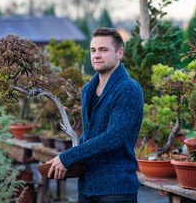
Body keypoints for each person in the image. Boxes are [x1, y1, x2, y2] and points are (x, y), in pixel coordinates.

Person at [47, 27, 144, 203]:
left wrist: (69, 156)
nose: (96, 55)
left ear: (119, 53)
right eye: (93, 50)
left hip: (116, 190)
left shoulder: (128, 89)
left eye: (103, 50)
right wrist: (65, 162)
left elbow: (114, 137)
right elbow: (89, 135)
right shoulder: (87, 90)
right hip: (86, 187)